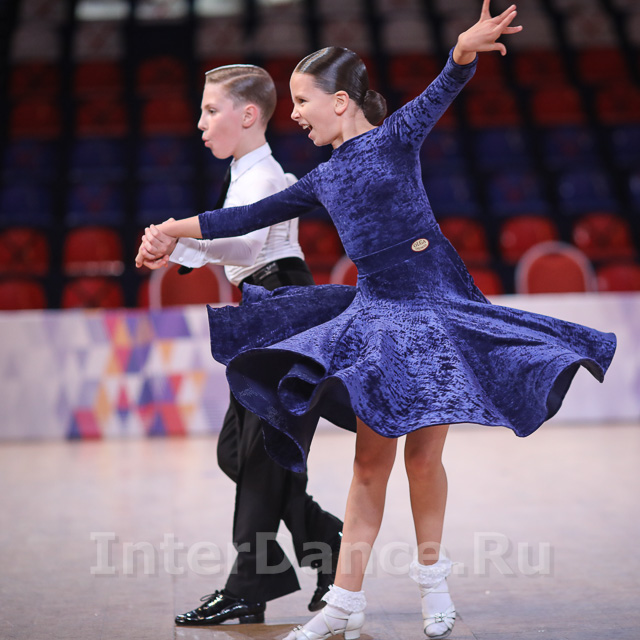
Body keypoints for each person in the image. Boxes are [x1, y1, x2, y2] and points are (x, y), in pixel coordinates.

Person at [136, 3, 617, 639]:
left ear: (340, 102)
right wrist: (173, 228)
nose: (295, 113)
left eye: (302, 100)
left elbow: (443, 88)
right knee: (369, 465)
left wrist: (462, 50)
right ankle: (343, 603)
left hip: (436, 313)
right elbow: (242, 218)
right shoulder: (322, 178)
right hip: (378, 320)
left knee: (424, 460)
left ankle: (433, 585)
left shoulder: (393, 139)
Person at [137, 64, 343, 627]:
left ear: (248, 115)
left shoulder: (264, 175)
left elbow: (247, 243)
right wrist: (173, 246)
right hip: (265, 308)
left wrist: (175, 233)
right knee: (242, 453)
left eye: (211, 110)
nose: (200, 123)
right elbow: (234, 243)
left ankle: (248, 586)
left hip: (281, 305)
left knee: (257, 456)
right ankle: (328, 543)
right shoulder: (244, 174)